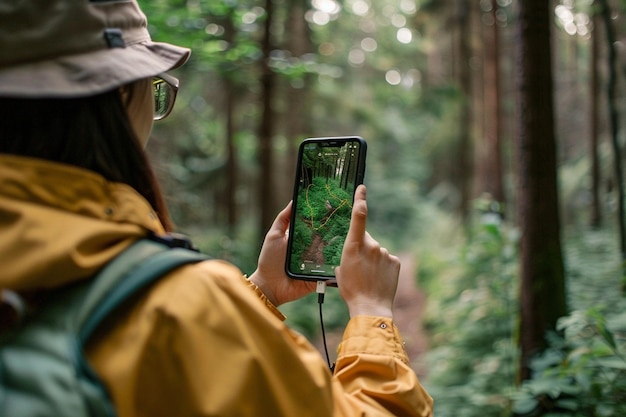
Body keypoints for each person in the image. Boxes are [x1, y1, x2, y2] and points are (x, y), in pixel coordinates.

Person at [0, 1, 433, 416]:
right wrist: (372, 311)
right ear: (118, 97)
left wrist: (261, 290)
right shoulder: (178, 310)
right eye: (153, 90)